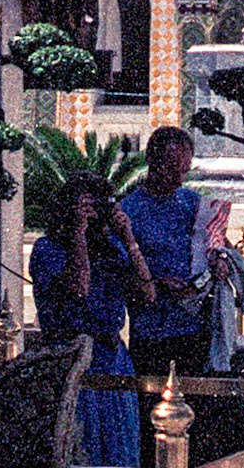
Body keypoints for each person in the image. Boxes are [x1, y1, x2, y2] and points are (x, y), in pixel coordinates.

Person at [30, 174, 156, 468]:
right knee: (81, 449)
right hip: (72, 359)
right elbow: (78, 287)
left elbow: (147, 293)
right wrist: (77, 232)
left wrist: (128, 237)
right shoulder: (47, 249)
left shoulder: (112, 247)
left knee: (119, 450)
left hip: (112, 357)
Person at [119, 126, 221, 377]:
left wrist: (220, 259)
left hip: (194, 328)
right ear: (152, 162)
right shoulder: (128, 211)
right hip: (152, 333)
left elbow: (216, 244)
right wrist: (158, 284)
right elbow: (117, 274)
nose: (178, 178)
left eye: (184, 171)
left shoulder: (191, 203)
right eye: (171, 169)